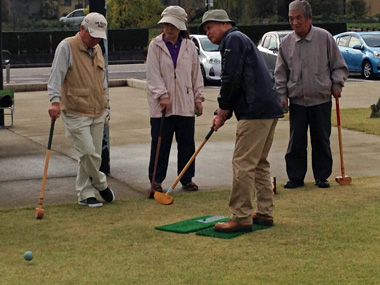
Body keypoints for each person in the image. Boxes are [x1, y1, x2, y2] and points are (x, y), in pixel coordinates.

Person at [199, 10, 284, 233]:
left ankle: (241, 215)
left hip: (254, 109)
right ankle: (264, 212)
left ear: (223, 24)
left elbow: (230, 78)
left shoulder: (232, 40)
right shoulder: (239, 38)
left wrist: (222, 110)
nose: (207, 33)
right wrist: (224, 112)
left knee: (243, 163)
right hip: (267, 107)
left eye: (209, 28)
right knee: (259, 162)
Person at [274, 0, 349, 189]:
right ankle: (295, 177)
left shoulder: (325, 38)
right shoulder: (286, 43)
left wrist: (337, 83)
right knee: (296, 141)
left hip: (321, 99)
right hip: (297, 101)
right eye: (291, 18)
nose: (295, 22)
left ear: (309, 18)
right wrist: (282, 96)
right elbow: (280, 73)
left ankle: (322, 176)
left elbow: (338, 65)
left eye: (299, 18)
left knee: (321, 139)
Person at [47, 12, 115, 207]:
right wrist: (54, 101)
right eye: (92, 34)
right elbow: (55, 76)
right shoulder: (66, 46)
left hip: (98, 109)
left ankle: (85, 194)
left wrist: (106, 102)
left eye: (98, 36)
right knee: (87, 153)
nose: (95, 39)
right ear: (82, 29)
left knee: (93, 155)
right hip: (75, 110)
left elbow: (101, 81)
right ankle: (101, 184)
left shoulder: (98, 49)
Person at [146, 6, 204, 193]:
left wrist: (198, 98)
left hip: (185, 102)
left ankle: (186, 178)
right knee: (160, 143)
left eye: (172, 25)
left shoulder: (190, 46)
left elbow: (196, 74)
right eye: (165, 25)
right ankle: (156, 180)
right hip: (162, 105)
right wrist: (162, 95)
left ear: (180, 27)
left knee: (187, 143)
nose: (168, 29)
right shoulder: (155, 46)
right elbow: (152, 74)